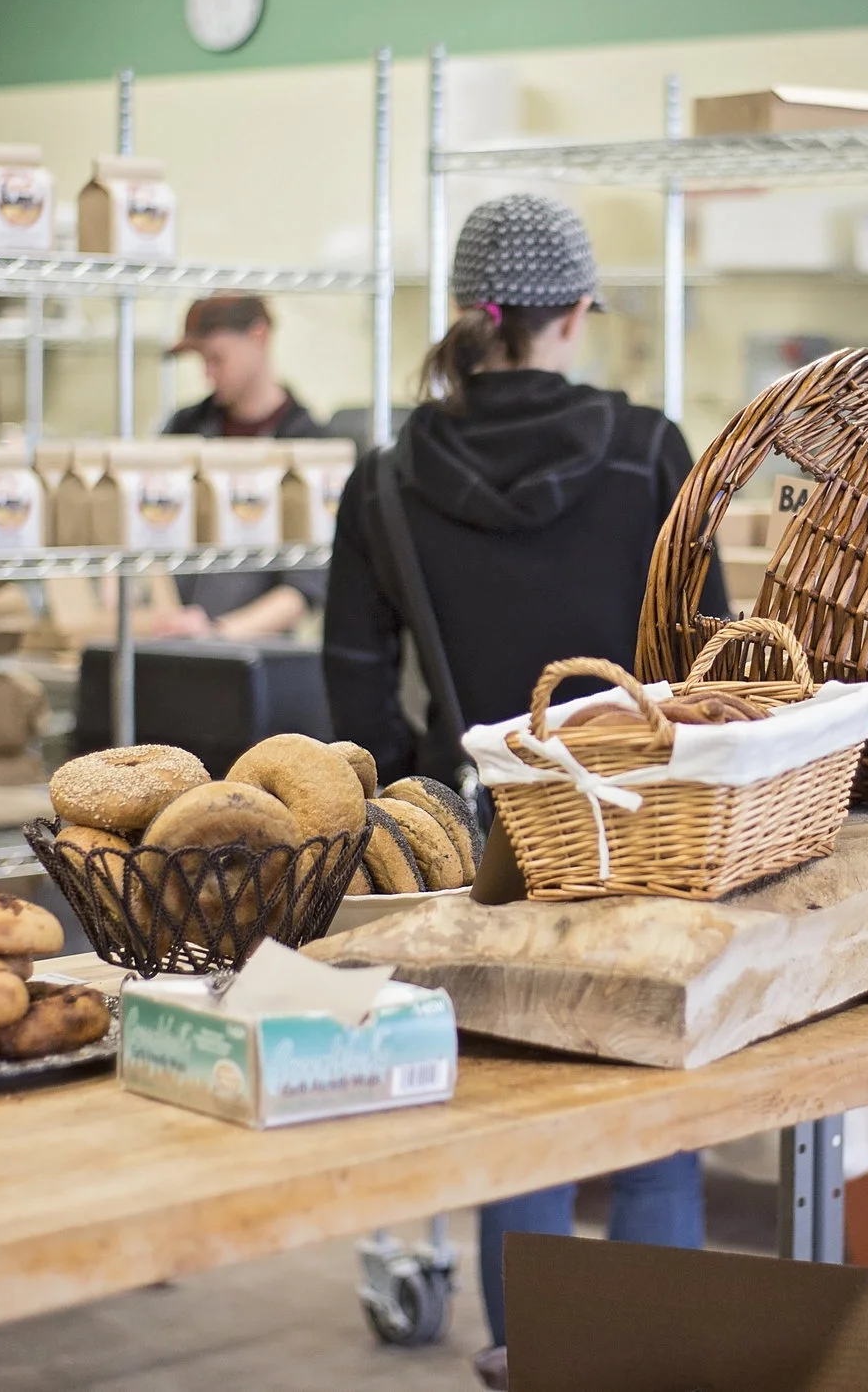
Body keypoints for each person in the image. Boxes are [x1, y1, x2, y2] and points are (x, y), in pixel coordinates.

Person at [320, 192, 727, 1389]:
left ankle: (529, 1366)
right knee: (658, 1120)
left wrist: (428, 811)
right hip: (650, 828)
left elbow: (353, 689)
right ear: (575, 314)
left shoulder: (385, 477)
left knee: (519, 1124)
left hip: (485, 842)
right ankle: (657, 1372)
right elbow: (707, 658)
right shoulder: (649, 449)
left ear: (465, 313)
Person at [153, 293, 325, 638]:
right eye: (202, 361)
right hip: (167, 641)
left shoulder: (308, 447)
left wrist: (217, 633)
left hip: (255, 654)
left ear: (258, 336)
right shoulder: (184, 429)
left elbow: (306, 585)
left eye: (217, 358)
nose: (208, 374)